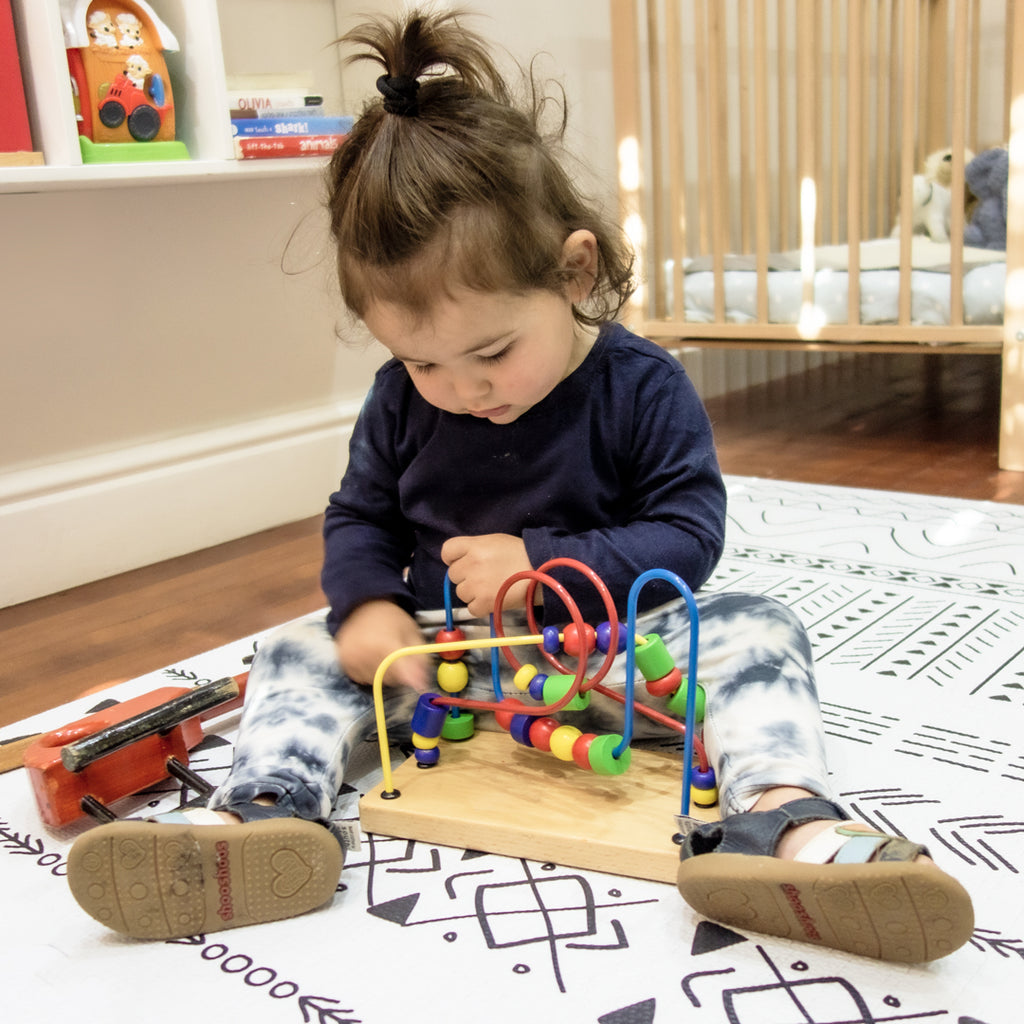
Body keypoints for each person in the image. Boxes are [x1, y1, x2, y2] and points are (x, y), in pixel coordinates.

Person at [66, 8, 973, 963]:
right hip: (457, 670)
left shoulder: (643, 386)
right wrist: (369, 605)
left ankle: (785, 825)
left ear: (574, 272)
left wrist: (543, 566)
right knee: (295, 648)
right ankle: (268, 814)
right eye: (421, 363)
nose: (461, 390)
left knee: (761, 625)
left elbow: (689, 530)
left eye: (492, 351)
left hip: (620, 664)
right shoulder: (398, 402)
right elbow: (360, 515)